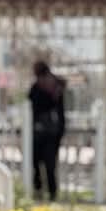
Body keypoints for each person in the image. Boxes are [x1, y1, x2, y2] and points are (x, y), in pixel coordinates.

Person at [29, 61, 66, 201]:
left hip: (47, 133)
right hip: (48, 132)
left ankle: (45, 191)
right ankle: (48, 192)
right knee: (44, 164)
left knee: (45, 164)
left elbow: (34, 103)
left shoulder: (46, 87)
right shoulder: (55, 86)